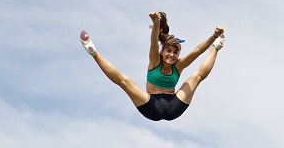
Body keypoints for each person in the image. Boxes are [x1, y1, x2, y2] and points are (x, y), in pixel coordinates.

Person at [80, 12, 225, 122]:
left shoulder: (178, 66)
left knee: (196, 77)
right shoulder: (155, 61)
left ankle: (216, 47)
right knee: (124, 81)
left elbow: (197, 51)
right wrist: (156, 22)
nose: (172, 55)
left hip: (173, 106)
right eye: (168, 51)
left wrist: (214, 36)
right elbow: (154, 43)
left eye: (175, 52)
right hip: (152, 106)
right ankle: (94, 53)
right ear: (162, 53)